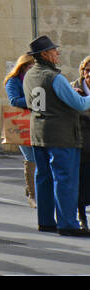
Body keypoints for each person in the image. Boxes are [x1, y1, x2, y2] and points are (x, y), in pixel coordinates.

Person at [23, 34, 90, 236]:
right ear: (44, 54)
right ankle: (67, 224)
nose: (57, 53)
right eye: (53, 51)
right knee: (64, 179)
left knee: (43, 177)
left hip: (38, 132)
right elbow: (79, 104)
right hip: (61, 135)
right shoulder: (55, 77)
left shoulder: (30, 75)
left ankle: (45, 221)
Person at [4, 52, 38, 208]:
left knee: (39, 157)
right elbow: (14, 100)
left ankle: (31, 187)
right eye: (31, 66)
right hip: (22, 122)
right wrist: (35, 98)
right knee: (31, 158)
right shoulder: (13, 81)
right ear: (23, 67)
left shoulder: (38, 80)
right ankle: (33, 195)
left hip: (39, 121)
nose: (33, 69)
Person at [75, 56, 90, 230]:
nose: (89, 74)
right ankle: (81, 217)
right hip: (82, 142)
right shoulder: (75, 88)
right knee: (82, 181)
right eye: (87, 70)